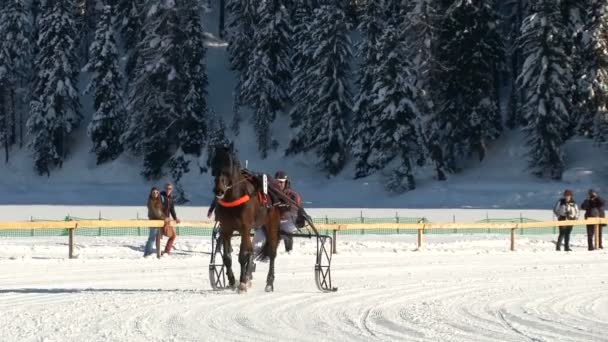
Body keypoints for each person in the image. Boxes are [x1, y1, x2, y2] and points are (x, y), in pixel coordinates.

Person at [160, 182, 180, 256]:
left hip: (167, 220)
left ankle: (166, 251)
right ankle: (156, 252)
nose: (168, 190)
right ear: (165, 189)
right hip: (161, 219)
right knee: (158, 235)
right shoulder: (161, 196)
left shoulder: (170, 198)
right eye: (167, 188)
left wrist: (175, 218)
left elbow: (172, 209)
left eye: (170, 189)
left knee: (173, 235)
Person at [144, 187, 165, 257]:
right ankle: (147, 253)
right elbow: (156, 212)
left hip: (159, 221)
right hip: (153, 221)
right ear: (151, 193)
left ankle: (158, 254)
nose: (155, 194)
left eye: (157, 192)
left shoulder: (158, 200)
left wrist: (165, 217)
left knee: (159, 238)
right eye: (154, 192)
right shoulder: (151, 201)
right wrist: (164, 218)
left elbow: (160, 212)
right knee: (152, 238)